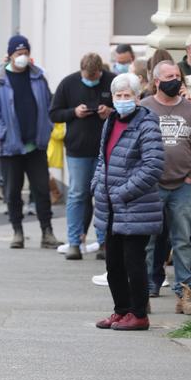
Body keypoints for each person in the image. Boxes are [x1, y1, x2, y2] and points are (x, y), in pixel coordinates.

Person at [92, 72, 164, 331]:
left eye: (127, 96)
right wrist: (97, 184)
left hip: (136, 207)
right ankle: (121, 310)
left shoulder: (146, 124)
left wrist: (122, 192)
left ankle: (139, 313)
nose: (122, 100)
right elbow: (103, 159)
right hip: (110, 208)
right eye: (118, 96)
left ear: (137, 97)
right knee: (113, 264)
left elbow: (153, 166)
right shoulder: (110, 121)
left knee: (133, 262)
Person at [0, 34, 62, 249]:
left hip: (36, 145)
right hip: (10, 147)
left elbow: (48, 104)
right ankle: (17, 231)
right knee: (12, 191)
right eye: (19, 53)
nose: (23, 57)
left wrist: (47, 127)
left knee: (41, 190)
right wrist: (4, 134)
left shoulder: (37, 77)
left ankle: (47, 232)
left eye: (26, 53)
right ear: (9, 55)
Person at [141, 61, 191, 314]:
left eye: (178, 76)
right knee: (148, 240)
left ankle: (185, 293)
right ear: (156, 81)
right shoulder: (144, 108)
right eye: (169, 76)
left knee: (183, 240)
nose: (175, 80)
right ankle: (145, 289)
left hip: (182, 185)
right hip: (151, 187)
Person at [49, 52, 114, 259]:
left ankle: (104, 242)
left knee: (104, 196)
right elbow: (54, 113)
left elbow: (127, 109)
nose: (92, 80)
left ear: (100, 71)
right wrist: (73, 113)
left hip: (106, 149)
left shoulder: (112, 81)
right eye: (88, 76)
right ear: (82, 71)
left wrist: (110, 112)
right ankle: (74, 242)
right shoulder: (68, 83)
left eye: (95, 77)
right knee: (77, 194)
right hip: (78, 149)